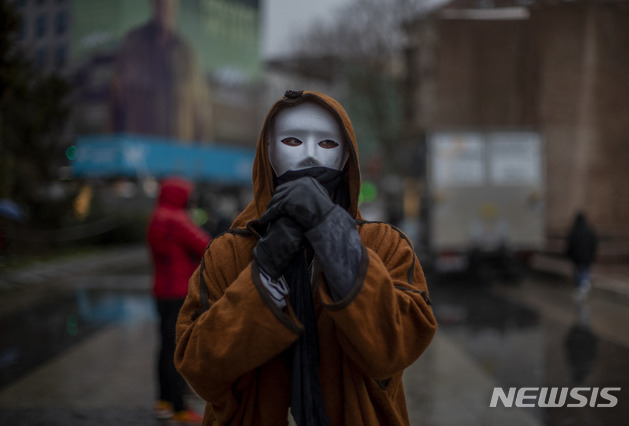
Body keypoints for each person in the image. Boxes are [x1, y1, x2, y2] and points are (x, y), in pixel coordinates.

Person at [174, 90, 437, 425]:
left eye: (326, 143)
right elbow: (199, 368)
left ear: (346, 157)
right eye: (293, 141)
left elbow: (392, 349)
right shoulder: (229, 253)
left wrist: (337, 240)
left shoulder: (385, 245)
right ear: (268, 152)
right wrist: (262, 274)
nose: (310, 156)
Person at [147, 177, 210, 422]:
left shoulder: (157, 217)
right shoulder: (178, 220)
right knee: (177, 350)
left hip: (161, 291)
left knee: (165, 347)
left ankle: (163, 401)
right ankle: (178, 407)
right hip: (178, 292)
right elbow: (206, 245)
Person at [110, 0, 213, 142]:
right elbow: (116, 102)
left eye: (170, 3)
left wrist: (202, 156)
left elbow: (201, 112)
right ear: (154, 3)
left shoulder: (187, 55)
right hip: (140, 153)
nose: (166, 6)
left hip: (177, 156)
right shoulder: (133, 44)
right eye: (162, 3)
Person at [565, 211, 598, 301]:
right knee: (586, 270)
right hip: (587, 257)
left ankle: (581, 287)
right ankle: (584, 284)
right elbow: (594, 243)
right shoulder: (590, 230)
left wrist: (569, 255)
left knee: (578, 272)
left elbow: (569, 245)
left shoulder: (573, 231)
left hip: (577, 258)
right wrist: (592, 254)